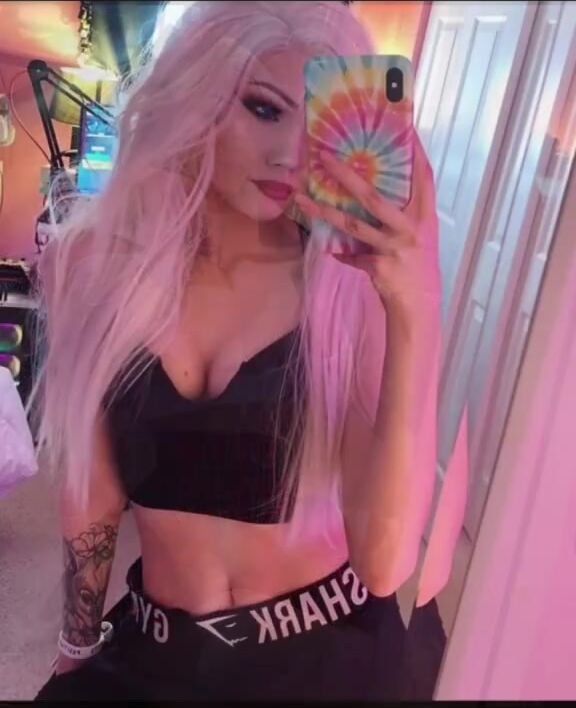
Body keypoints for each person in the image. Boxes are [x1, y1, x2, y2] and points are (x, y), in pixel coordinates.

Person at [32, 0, 441, 701]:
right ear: (196, 92)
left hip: (328, 657)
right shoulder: (93, 264)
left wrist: (416, 309)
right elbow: (92, 492)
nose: (290, 154)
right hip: (156, 654)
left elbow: (384, 564)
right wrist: (76, 643)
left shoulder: (346, 282)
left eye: (315, 122)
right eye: (263, 108)